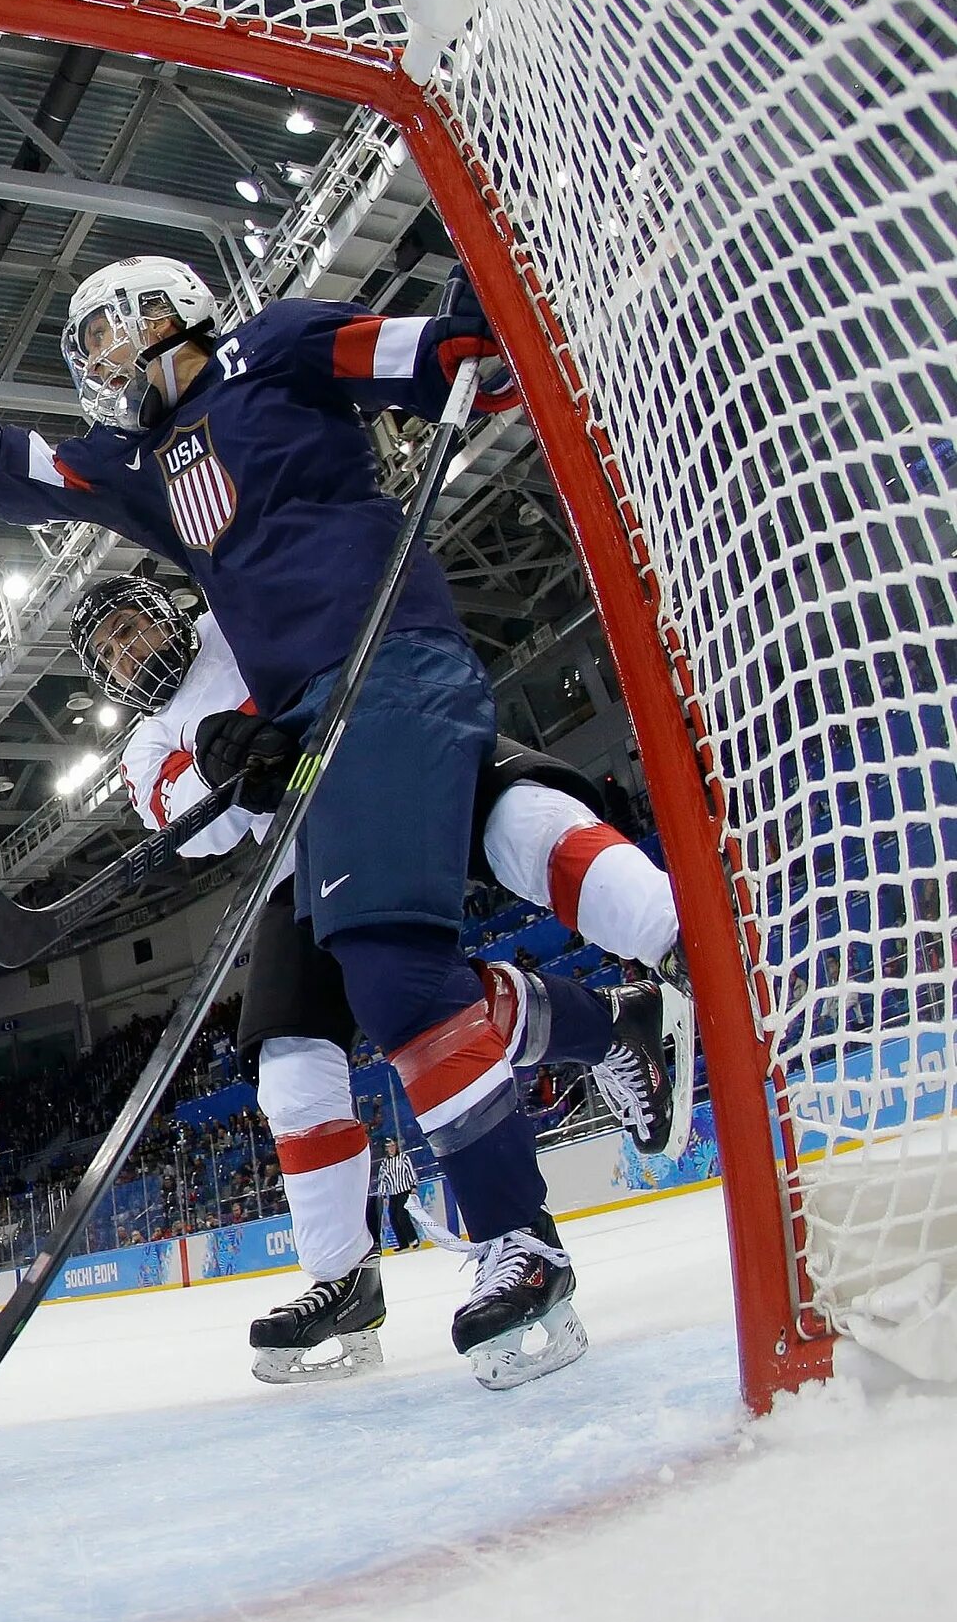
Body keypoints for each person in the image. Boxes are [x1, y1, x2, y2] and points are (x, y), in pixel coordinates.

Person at [0, 258, 677, 1391]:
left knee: (410, 950)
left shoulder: (270, 348)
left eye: (109, 326)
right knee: (376, 985)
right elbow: (12, 472)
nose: (96, 355)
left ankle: (529, 1230)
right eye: (83, 344)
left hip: (386, 667)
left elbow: (423, 357)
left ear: (172, 305)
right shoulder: (140, 468)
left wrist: (470, 341)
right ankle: (607, 1042)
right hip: (327, 718)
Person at [82, 579, 695, 1382]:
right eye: (110, 654)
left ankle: (690, 944)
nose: (129, 653)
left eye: (129, 628)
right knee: (293, 1073)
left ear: (162, 609)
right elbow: (188, 819)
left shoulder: (238, 611)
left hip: (401, 752)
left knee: (526, 831)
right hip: (305, 856)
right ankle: (345, 1278)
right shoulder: (145, 742)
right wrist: (222, 763)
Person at [370, 1139, 423, 1255]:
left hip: (404, 1190)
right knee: (393, 1218)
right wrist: (383, 1194)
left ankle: (413, 1239)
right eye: (389, 1146)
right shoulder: (385, 1163)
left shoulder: (403, 1158)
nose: (392, 1148)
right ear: (386, 1149)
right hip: (393, 1193)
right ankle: (402, 1242)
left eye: (393, 1145)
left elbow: (410, 1171)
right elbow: (382, 1179)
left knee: (402, 1216)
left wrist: (414, 1185)